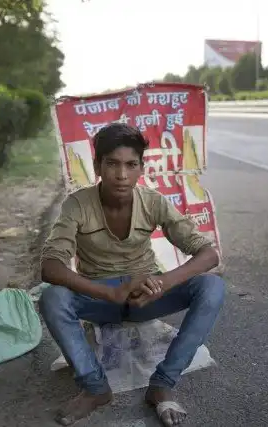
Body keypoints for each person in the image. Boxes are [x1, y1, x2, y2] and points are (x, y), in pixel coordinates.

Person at [39, 122, 225, 427]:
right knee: (52, 297)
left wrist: (163, 282)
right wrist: (109, 292)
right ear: (97, 166)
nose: (122, 175)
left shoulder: (153, 202)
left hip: (145, 297)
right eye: (112, 164)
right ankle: (95, 388)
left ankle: (162, 383)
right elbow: (50, 266)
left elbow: (209, 254)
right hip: (99, 299)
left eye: (131, 165)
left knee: (212, 287)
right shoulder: (77, 204)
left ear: (141, 168)